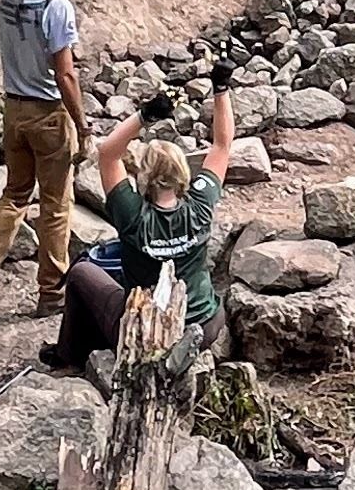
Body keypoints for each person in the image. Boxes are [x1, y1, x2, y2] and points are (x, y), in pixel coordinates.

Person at [50, 73, 234, 371]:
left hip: (144, 330)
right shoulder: (200, 206)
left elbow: (108, 153)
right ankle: (187, 346)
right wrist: (221, 88)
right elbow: (222, 146)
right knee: (213, 302)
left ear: (144, 177)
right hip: (203, 325)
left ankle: (68, 357)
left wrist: (145, 114)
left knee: (82, 272)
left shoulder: (132, 213)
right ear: (184, 175)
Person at [0, 0, 86, 314]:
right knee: (56, 205)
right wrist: (82, 125)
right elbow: (65, 76)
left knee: (15, 193)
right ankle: (52, 294)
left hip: (13, 109)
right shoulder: (56, 7)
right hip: (48, 114)